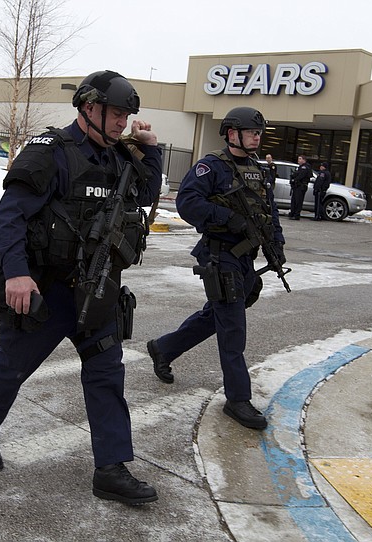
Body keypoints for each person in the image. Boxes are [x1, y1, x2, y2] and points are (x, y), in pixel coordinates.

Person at [0, 70, 162, 505]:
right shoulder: (50, 152)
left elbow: (149, 190)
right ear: (89, 107)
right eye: (116, 114)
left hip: (98, 289)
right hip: (47, 289)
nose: (121, 122)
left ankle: (111, 468)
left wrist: (150, 151)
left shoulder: (120, 156)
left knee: (107, 374)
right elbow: (10, 217)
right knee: (11, 366)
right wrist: (17, 273)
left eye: (127, 115)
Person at [146, 106, 285, 430]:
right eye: (252, 131)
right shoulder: (212, 167)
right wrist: (228, 219)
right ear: (232, 133)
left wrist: (275, 244)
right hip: (219, 255)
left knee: (220, 314)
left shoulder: (256, 169)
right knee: (233, 327)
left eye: (259, 132)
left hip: (244, 257)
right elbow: (188, 202)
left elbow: (269, 210)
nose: (257, 136)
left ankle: (163, 348)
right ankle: (237, 399)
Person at [288, 154, 312, 220]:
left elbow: (301, 176)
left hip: (300, 186)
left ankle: (296, 215)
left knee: (298, 202)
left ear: (304, 160)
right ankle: (292, 213)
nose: (298, 160)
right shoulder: (300, 167)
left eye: (300, 159)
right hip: (297, 186)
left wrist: (294, 179)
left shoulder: (305, 167)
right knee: (294, 201)